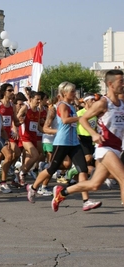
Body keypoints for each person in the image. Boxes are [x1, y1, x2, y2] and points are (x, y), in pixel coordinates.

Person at [52, 70, 124, 211]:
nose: (123, 84)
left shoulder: (121, 104)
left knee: (94, 184)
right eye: (120, 81)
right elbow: (83, 119)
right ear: (110, 84)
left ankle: (61, 192)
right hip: (105, 148)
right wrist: (93, 134)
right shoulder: (103, 103)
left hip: (116, 148)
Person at [26, 81, 100, 211]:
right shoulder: (62, 105)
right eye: (72, 91)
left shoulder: (72, 106)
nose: (74, 93)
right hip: (62, 142)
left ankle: (86, 201)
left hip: (74, 142)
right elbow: (65, 120)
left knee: (83, 170)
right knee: (51, 169)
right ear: (64, 93)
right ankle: (33, 188)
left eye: (75, 91)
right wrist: (81, 118)